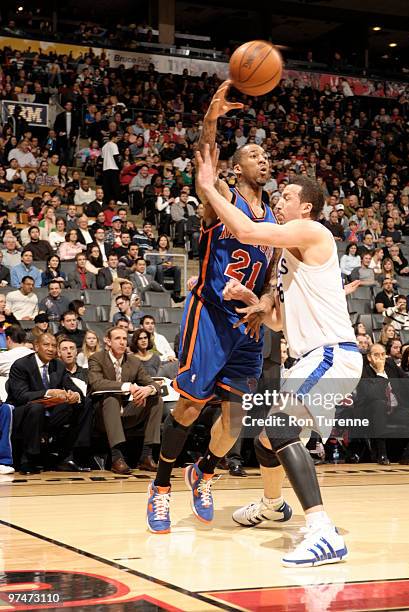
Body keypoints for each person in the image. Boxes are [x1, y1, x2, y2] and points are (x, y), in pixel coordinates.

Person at [193, 144, 363, 567]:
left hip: (330, 356)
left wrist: (209, 189)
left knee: (278, 426)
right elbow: (279, 324)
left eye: (286, 196)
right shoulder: (289, 257)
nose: (278, 201)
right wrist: (256, 299)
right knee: (268, 441)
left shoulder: (313, 232)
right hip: (307, 357)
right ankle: (274, 504)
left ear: (305, 207)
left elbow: (247, 232)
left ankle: (324, 532)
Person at [147, 82, 278, 538]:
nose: (264, 161)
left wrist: (264, 303)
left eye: (266, 157)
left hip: (249, 325)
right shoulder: (221, 201)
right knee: (188, 407)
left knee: (235, 422)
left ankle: (204, 471)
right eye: (255, 155)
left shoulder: (275, 222)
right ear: (237, 166)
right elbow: (205, 159)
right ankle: (161, 487)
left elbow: (272, 278)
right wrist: (211, 118)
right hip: (210, 316)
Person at [8, 333, 91, 474]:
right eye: (46, 345)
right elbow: (21, 396)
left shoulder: (57, 364)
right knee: (36, 407)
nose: (51, 349)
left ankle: (69, 457)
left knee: (85, 402)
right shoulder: (21, 365)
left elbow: (71, 386)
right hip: (25, 412)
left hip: (51, 412)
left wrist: (75, 395)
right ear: (36, 346)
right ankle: (29, 459)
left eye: (54, 346)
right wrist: (48, 393)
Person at [88, 326, 164, 474]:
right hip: (102, 416)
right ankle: (117, 457)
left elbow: (153, 383)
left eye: (124, 338)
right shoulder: (96, 358)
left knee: (156, 400)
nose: (122, 342)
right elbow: (96, 383)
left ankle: (146, 456)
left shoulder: (134, 361)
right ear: (108, 341)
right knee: (111, 398)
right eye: (117, 338)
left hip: (127, 411)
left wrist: (148, 390)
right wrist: (127, 386)